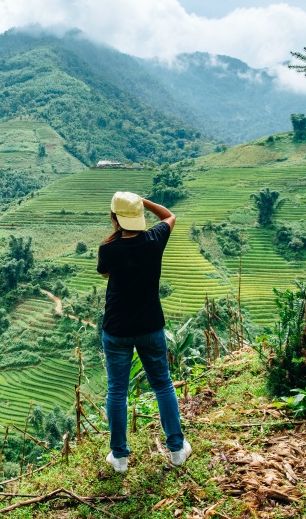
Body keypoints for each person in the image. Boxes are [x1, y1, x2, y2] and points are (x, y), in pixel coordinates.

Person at [96, 191, 192, 473]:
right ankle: (176, 450)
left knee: (117, 390)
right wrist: (144, 201)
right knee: (162, 384)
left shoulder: (109, 249)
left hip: (117, 329)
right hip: (150, 326)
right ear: (139, 216)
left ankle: (120, 458)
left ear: (114, 218)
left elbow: (105, 274)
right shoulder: (154, 239)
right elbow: (169, 216)